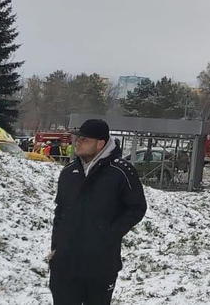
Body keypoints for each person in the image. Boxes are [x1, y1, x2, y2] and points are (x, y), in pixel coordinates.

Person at [49, 119, 146, 305]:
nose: (77, 142)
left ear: (100, 143)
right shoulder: (69, 172)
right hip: (65, 264)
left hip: (100, 264)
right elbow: (60, 212)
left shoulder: (121, 171)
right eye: (77, 138)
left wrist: (109, 233)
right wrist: (56, 248)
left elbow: (137, 208)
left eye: (84, 139)